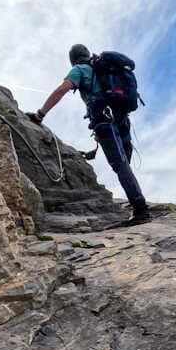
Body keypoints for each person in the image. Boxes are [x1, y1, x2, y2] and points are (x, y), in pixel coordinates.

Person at [26, 44, 150, 225]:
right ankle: (137, 202)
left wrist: (40, 114)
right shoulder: (103, 69)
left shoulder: (79, 70)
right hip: (121, 119)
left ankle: (140, 210)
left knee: (120, 165)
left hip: (105, 122)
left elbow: (62, 90)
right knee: (124, 163)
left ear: (72, 59)